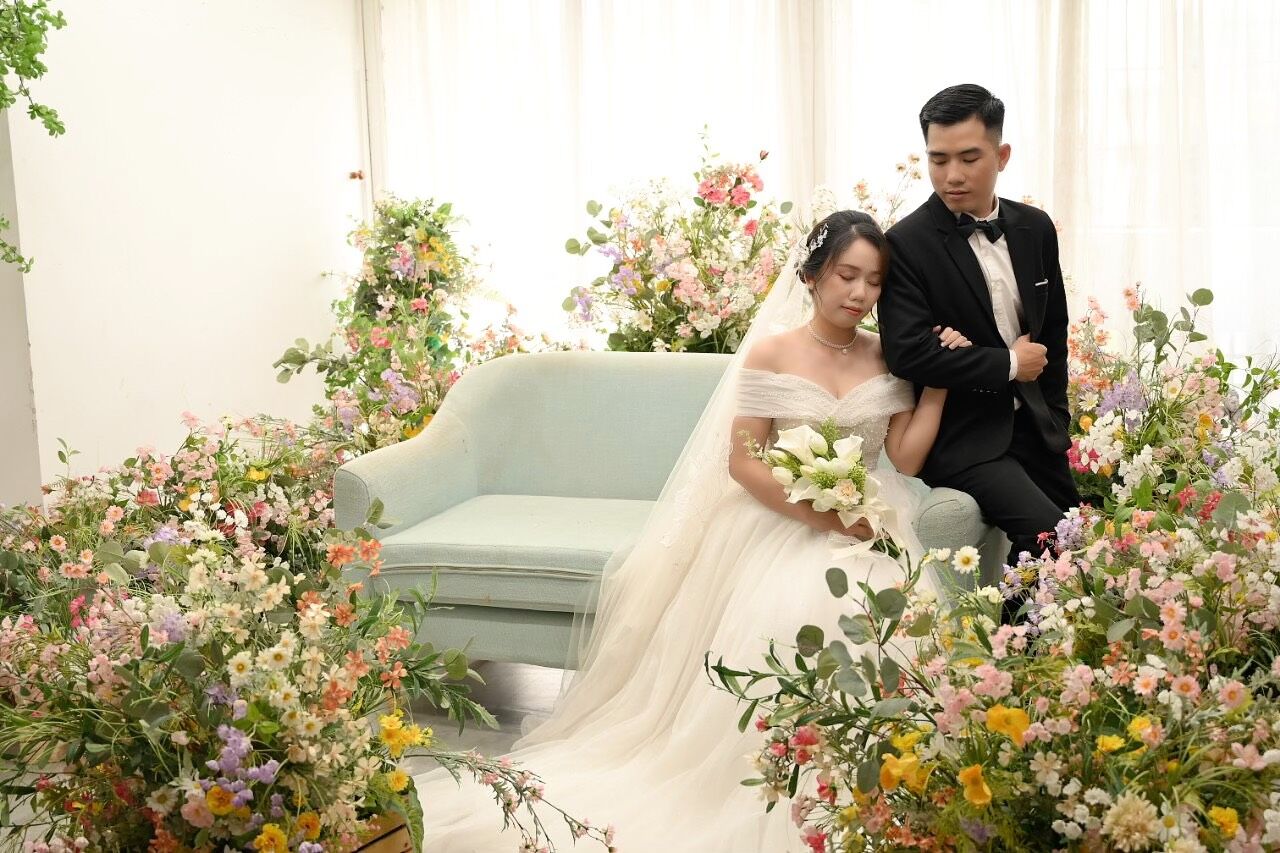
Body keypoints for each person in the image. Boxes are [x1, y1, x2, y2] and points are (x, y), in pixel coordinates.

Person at [414, 211, 967, 851]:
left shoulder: (887, 356)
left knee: (893, 616)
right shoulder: (773, 352)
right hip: (783, 518)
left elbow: (904, 460)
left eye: (874, 281)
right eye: (847, 275)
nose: (861, 293)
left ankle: (879, 778)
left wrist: (937, 387)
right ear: (814, 274)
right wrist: (821, 514)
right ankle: (783, 775)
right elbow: (745, 461)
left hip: (871, 519)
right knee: (800, 606)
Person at [879, 83, 1080, 579]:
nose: (952, 175)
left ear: (1001, 156)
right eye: (938, 159)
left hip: (1036, 427)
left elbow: (1053, 333)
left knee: (1081, 540)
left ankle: (1020, 631)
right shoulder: (905, 243)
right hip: (964, 439)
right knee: (1050, 536)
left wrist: (1056, 416)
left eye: (969, 158)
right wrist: (1009, 364)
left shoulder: (1035, 227)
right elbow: (908, 354)